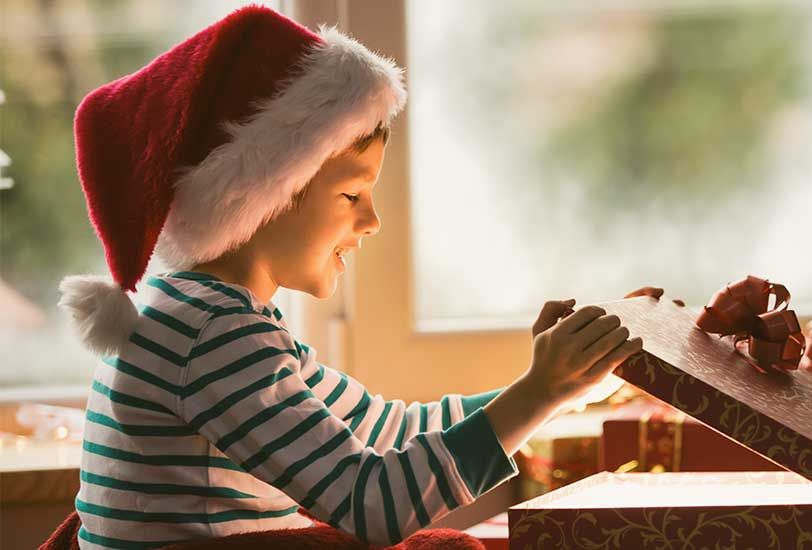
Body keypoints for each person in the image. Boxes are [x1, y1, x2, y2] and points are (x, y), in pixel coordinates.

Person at [58, 6, 645, 548]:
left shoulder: (206, 317)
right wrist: (538, 393)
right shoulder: (210, 333)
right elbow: (372, 505)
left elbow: (392, 429)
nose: (372, 220)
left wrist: (557, 389)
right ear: (261, 195)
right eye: (350, 193)